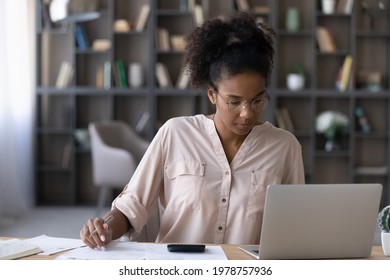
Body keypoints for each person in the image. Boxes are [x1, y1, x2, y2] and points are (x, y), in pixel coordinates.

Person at [80, 12, 305, 249]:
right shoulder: (175, 133)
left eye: (257, 100)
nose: (247, 113)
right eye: (234, 101)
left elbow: (296, 227)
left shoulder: (285, 147)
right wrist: (103, 227)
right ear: (212, 95)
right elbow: (131, 206)